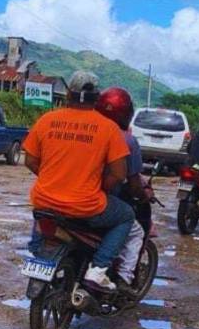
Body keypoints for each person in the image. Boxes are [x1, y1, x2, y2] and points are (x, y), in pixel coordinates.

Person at [24, 71, 137, 293]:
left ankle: (38, 252)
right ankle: (98, 269)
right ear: (96, 98)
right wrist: (99, 187)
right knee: (126, 216)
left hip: (45, 202)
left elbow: (30, 160)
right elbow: (119, 174)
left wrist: (54, 178)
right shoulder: (108, 128)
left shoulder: (46, 120)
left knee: (43, 215)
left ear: (68, 94)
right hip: (85, 206)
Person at [96, 86, 152, 286]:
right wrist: (143, 194)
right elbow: (131, 181)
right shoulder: (127, 139)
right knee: (131, 224)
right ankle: (123, 278)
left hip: (60, 196)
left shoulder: (89, 130)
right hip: (96, 201)